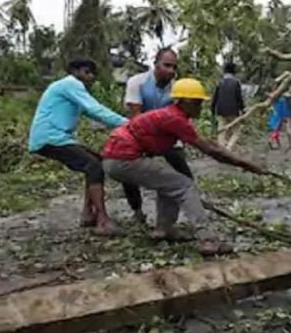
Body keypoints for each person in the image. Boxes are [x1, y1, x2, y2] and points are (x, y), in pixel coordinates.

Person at [101, 78, 266, 255]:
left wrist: (241, 161)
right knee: (183, 185)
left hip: (115, 159)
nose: (199, 107)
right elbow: (211, 150)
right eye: (196, 103)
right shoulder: (174, 118)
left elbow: (208, 143)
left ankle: (164, 228)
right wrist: (246, 164)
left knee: (169, 183)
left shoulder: (172, 115)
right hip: (123, 159)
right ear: (182, 102)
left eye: (200, 102)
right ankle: (207, 239)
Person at [28, 58, 127, 235]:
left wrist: (119, 125)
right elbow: (96, 109)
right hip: (51, 137)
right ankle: (102, 220)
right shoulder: (71, 84)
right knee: (94, 166)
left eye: (92, 74)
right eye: (87, 72)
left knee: (97, 162)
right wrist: (130, 124)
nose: (91, 77)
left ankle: (88, 214)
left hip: (56, 138)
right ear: (75, 72)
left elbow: (95, 114)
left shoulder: (69, 89)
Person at [122, 47, 193, 223]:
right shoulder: (137, 82)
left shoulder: (176, 87)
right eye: (166, 65)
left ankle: (184, 213)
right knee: (127, 170)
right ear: (155, 64)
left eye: (174, 67)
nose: (171, 70)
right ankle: (137, 211)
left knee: (183, 172)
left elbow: (180, 116)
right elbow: (136, 117)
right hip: (139, 133)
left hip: (164, 135)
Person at [211, 62, 245, 150]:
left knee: (221, 132)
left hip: (221, 111)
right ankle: (229, 148)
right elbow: (239, 98)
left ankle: (222, 149)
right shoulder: (236, 83)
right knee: (236, 131)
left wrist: (212, 109)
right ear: (234, 72)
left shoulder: (220, 82)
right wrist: (242, 110)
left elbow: (215, 97)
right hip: (233, 111)